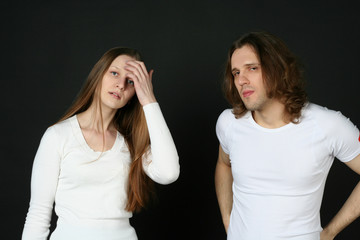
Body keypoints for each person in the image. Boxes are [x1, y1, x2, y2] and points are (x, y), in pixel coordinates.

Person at [22, 47, 180, 240]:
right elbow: (38, 214)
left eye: (131, 82)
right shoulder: (58, 136)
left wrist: (148, 99)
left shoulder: (131, 142)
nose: (121, 85)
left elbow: (169, 173)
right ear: (98, 76)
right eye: (114, 73)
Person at [215, 31, 360, 240]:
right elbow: (223, 164)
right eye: (235, 73)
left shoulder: (327, 125)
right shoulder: (229, 123)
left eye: (252, 68)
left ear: (277, 68)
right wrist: (228, 221)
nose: (241, 80)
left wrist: (329, 232)